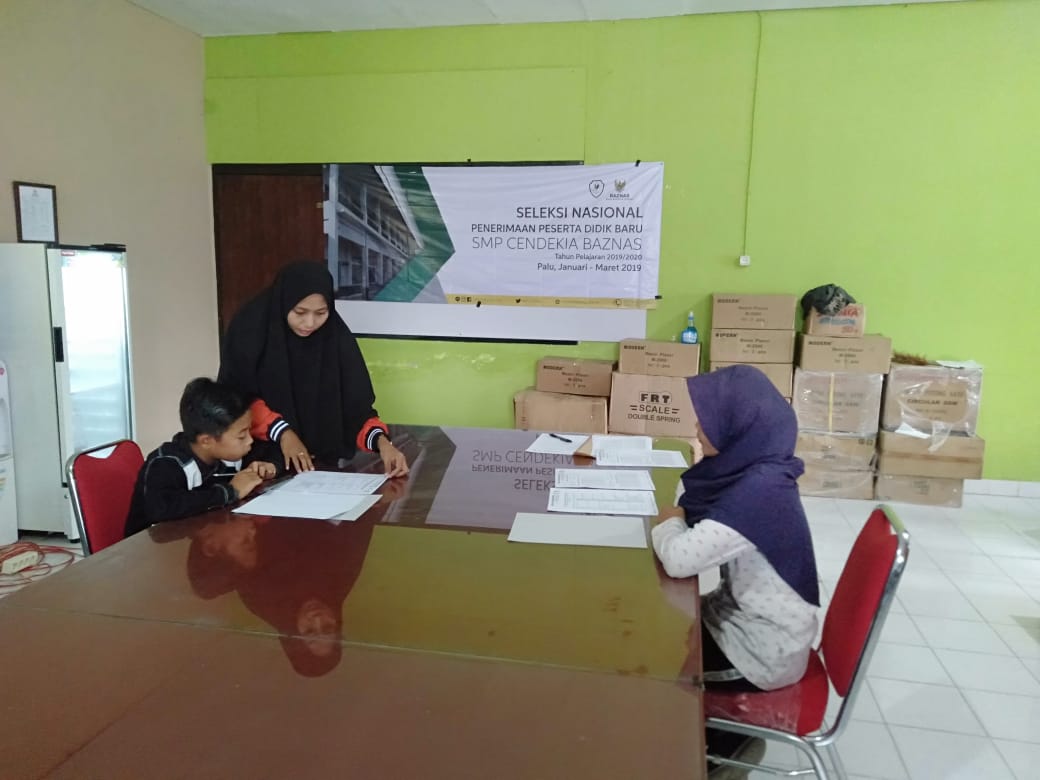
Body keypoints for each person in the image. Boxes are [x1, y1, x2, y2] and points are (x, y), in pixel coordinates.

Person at [650, 365, 819, 776]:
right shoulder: (757, 469)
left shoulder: (757, 495)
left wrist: (668, 523)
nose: (697, 427)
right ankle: (719, 738)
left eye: (707, 420)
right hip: (746, 622)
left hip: (758, 652)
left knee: (651, 662)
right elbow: (692, 497)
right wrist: (677, 518)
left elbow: (679, 558)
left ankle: (720, 751)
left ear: (737, 425)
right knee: (656, 630)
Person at [218, 262, 408, 477]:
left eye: (321, 313)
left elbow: (357, 411)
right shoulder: (251, 330)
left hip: (319, 468)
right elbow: (236, 399)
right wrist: (284, 433)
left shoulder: (334, 338)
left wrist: (384, 444)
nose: (310, 323)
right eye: (300, 312)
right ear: (283, 303)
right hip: (262, 464)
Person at [123, 377, 280, 538]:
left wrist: (270, 466)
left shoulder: (227, 452)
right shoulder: (166, 464)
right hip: (150, 548)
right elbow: (162, 508)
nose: (250, 440)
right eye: (241, 436)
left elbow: (274, 453)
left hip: (203, 537)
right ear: (207, 441)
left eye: (249, 430)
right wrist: (229, 492)